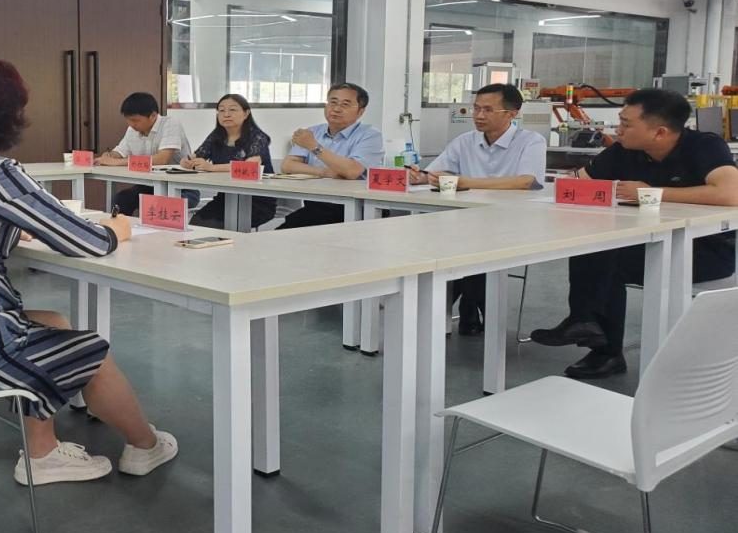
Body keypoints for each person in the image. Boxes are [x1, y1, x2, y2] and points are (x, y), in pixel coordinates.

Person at [0, 56, 178, 485]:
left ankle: (42, 450)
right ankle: (145, 446)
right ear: (4, 112)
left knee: (54, 322)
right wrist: (117, 229)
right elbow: (87, 242)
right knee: (92, 350)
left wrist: (8, 227)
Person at [530, 88, 738, 379]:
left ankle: (598, 341)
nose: (618, 130)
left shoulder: (704, 146)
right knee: (593, 246)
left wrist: (652, 193)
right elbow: (577, 183)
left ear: (659, 132)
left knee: (609, 260)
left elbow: (730, 194)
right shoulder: (624, 150)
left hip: (704, 251)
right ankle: (587, 326)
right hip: (647, 244)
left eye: (626, 124)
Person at [408, 83, 546, 335]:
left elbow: (526, 181)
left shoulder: (531, 141)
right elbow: (437, 171)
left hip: (511, 224)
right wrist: (419, 176)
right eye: (476, 109)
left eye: (488, 110)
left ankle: (455, 311)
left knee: (470, 251)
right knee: (440, 245)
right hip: (466, 222)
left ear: (512, 113)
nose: (479, 115)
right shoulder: (465, 141)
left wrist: (466, 182)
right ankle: (464, 311)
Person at [277, 82, 384, 229]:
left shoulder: (370, 135)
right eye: (333, 102)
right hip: (318, 205)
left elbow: (352, 171)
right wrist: (324, 172)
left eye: (345, 104)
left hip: (359, 209)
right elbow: (288, 166)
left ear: (360, 111)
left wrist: (314, 146)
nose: (336, 109)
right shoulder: (313, 132)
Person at [184, 93, 278, 229]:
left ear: (246, 113)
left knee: (217, 226)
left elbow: (249, 166)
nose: (226, 114)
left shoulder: (257, 137)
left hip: (256, 199)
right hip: (226, 198)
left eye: (232, 110)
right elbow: (194, 157)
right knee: (197, 224)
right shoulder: (216, 136)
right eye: (221, 110)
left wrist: (211, 168)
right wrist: (186, 162)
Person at [96, 92, 195, 214]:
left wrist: (116, 162)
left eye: (135, 120)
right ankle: (119, 226)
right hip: (149, 185)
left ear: (153, 116)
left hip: (181, 187)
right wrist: (109, 156)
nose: (131, 124)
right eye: (128, 120)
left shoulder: (170, 124)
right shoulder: (132, 129)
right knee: (121, 200)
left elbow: (162, 159)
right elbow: (120, 152)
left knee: (157, 206)